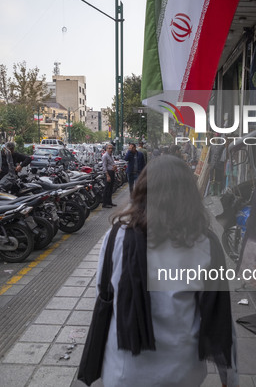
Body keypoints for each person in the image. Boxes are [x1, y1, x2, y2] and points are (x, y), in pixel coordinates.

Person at [92, 155, 237, 387]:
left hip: (124, 370)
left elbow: (103, 291)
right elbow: (219, 314)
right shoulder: (205, 244)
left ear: (142, 190)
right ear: (190, 194)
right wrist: (229, 378)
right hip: (182, 371)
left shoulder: (117, 236)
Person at [101, 143, 117, 208]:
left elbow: (112, 163)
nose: (110, 150)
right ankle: (104, 203)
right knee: (107, 188)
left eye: (111, 148)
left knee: (110, 188)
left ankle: (109, 202)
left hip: (112, 172)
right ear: (106, 149)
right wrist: (107, 175)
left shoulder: (111, 155)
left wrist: (115, 167)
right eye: (109, 148)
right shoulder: (105, 156)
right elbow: (104, 166)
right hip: (108, 173)